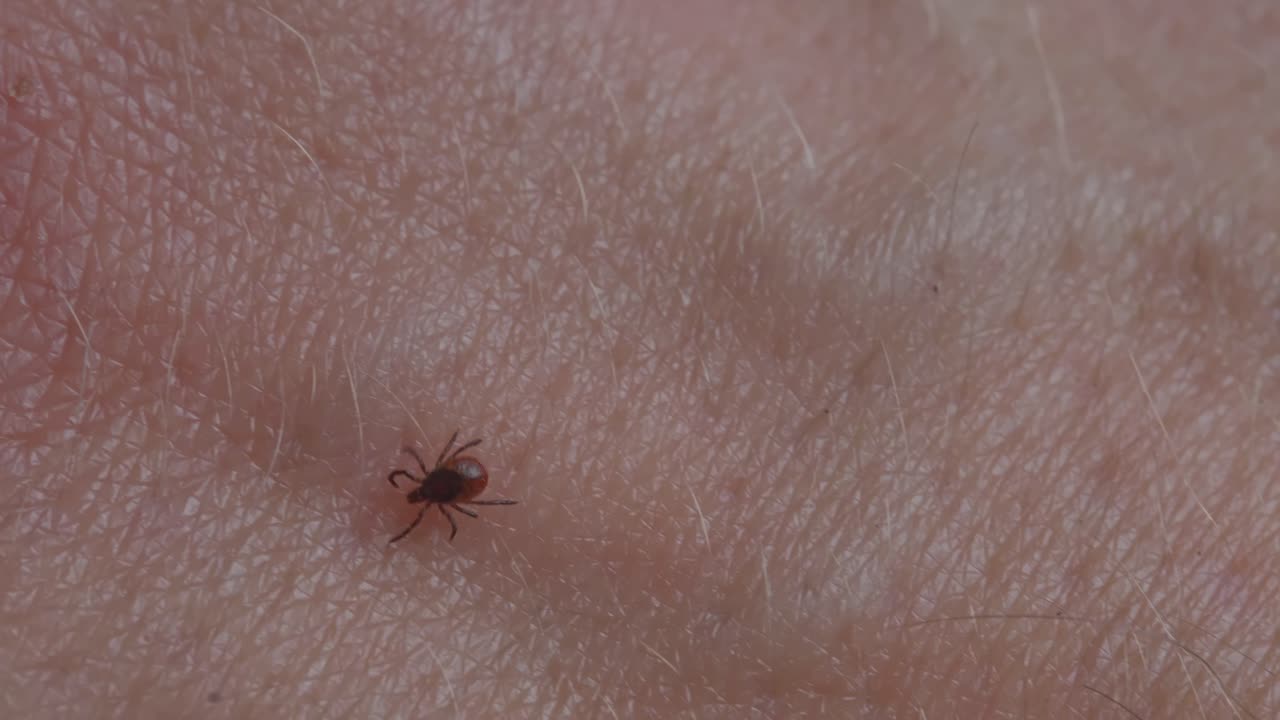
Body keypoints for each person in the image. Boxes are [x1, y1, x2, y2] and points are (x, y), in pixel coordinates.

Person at [2, 2, 1275, 717]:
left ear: (432, 486)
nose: (430, 491)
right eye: (429, 491)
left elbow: (449, 474)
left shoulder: (436, 489)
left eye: (429, 490)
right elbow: (458, 473)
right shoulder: (449, 484)